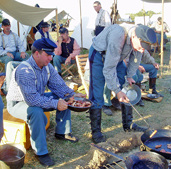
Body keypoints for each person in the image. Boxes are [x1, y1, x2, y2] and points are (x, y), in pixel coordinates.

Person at [6, 38, 85, 167]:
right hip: (17, 103)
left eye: (51, 55)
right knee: (36, 111)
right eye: (48, 55)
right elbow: (32, 100)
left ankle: (62, 132)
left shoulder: (47, 66)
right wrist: (55, 104)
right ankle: (40, 152)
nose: (51, 58)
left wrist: (73, 95)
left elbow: (59, 85)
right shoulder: (24, 70)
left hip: (36, 97)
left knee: (64, 96)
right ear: (37, 53)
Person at [88, 23, 157, 143]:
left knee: (127, 87)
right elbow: (109, 68)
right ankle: (96, 132)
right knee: (97, 92)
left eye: (144, 48)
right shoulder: (118, 35)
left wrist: (129, 76)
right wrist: (117, 91)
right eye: (141, 47)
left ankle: (128, 125)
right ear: (134, 36)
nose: (141, 50)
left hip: (117, 58)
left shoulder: (139, 39)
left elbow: (135, 59)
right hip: (99, 56)